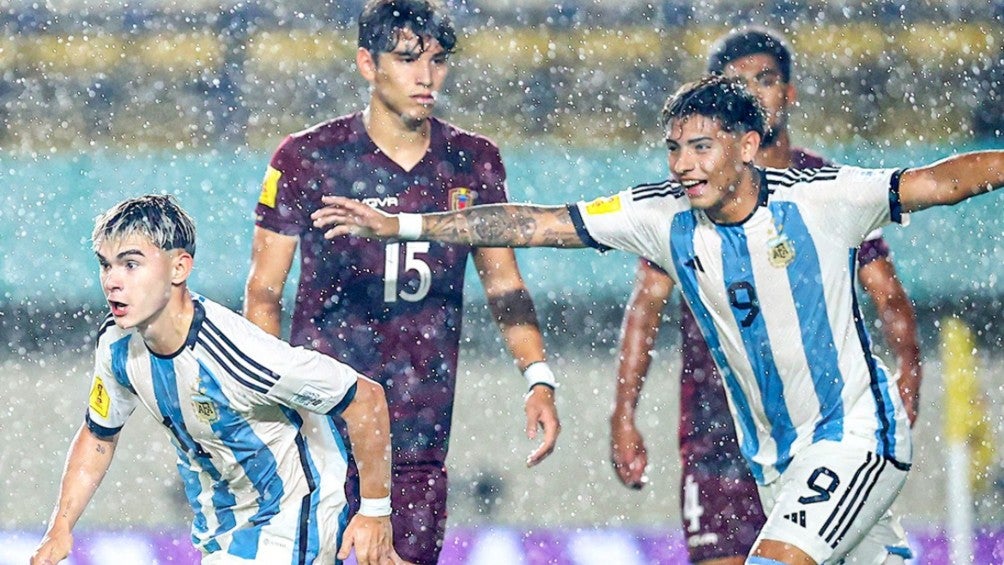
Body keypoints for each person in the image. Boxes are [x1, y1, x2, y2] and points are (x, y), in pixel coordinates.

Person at [310, 75, 1004, 564]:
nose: (684, 164)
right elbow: (535, 223)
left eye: (701, 146)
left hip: (854, 434)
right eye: (674, 147)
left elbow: (940, 181)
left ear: (748, 145)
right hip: (776, 461)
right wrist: (403, 224)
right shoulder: (660, 215)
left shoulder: (824, 198)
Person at [243, 1, 560, 562]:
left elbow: (503, 284)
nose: (426, 76)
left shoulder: (472, 161)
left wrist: (538, 376)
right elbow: (264, 293)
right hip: (321, 432)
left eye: (437, 60)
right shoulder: (307, 158)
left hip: (418, 437)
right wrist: (268, 402)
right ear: (368, 63)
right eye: (408, 59)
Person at [608, 28, 921, 565]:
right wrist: (623, 412)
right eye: (737, 84)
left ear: (789, 92)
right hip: (717, 429)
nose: (753, 93)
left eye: (765, 80)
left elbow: (886, 294)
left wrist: (909, 369)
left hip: (824, 425)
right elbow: (646, 306)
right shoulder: (690, 196)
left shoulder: (824, 185)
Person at [30, 195, 400, 565]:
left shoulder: (237, 352)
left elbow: (364, 397)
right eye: (105, 265)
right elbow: (98, 435)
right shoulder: (116, 344)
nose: (112, 281)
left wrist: (374, 512)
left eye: (130, 264)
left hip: (291, 527)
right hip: (222, 532)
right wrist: (60, 526)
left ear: (179, 268)